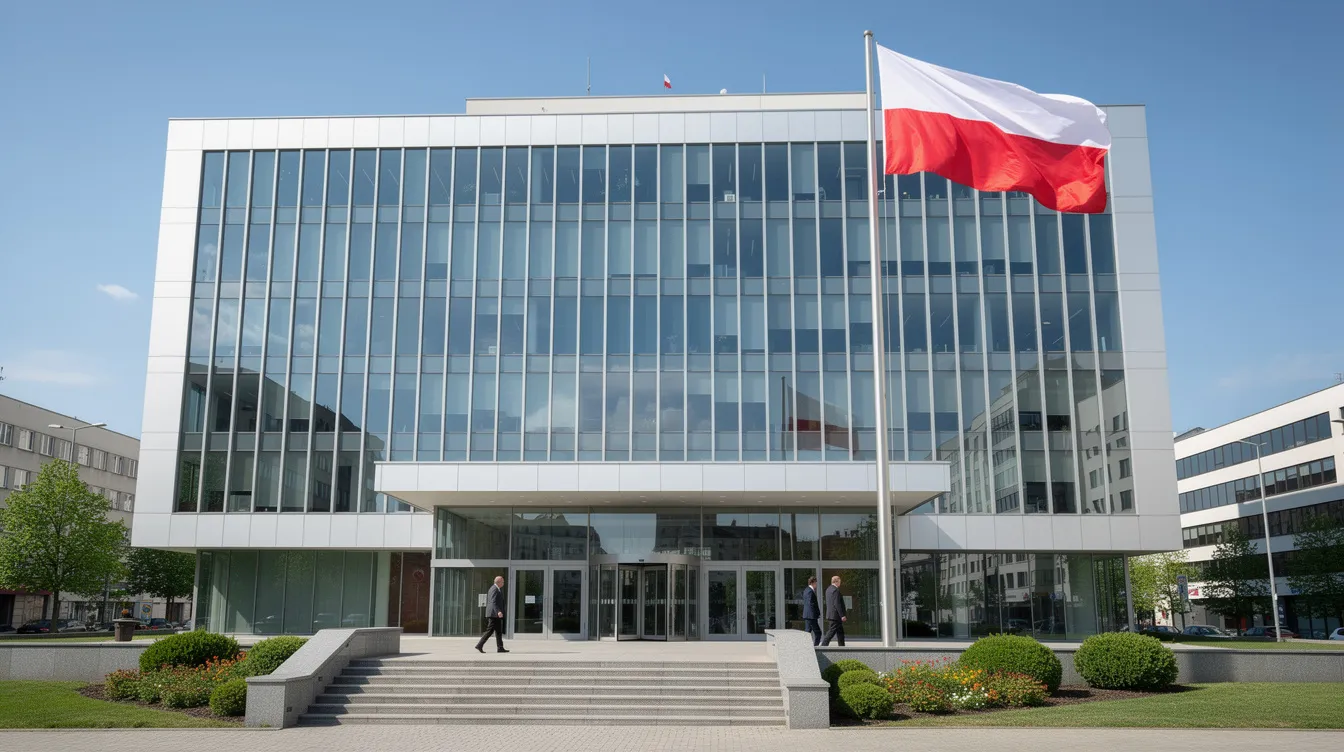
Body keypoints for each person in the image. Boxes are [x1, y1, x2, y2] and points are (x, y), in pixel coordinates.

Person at [475, 575, 510, 654]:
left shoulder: (496, 589)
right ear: (498, 582)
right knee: (490, 631)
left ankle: (500, 647)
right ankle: (479, 645)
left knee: (498, 631)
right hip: (494, 614)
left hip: (494, 614)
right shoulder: (494, 589)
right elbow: (493, 602)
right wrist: (498, 611)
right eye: (502, 582)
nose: (503, 583)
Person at [821, 574, 846, 647]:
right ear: (836, 581)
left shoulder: (828, 589)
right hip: (836, 616)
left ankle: (842, 647)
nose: (840, 583)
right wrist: (842, 615)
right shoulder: (835, 590)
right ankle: (823, 646)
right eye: (839, 582)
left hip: (832, 615)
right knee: (831, 632)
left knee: (840, 632)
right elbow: (837, 604)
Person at [801, 575, 822, 646]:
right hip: (811, 616)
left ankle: (806, 647)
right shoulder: (810, 591)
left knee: (807, 632)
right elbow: (811, 604)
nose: (816, 584)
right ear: (812, 583)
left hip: (807, 615)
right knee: (818, 633)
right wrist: (815, 614)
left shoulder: (806, 590)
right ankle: (815, 648)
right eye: (816, 583)